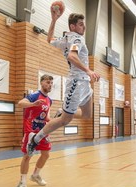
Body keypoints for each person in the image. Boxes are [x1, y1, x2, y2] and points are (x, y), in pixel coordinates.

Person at [26, 7, 100, 157]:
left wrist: (53, 21)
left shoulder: (65, 39)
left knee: (87, 115)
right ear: (72, 26)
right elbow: (72, 56)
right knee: (64, 121)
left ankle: (62, 111)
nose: (84, 27)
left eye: (83, 24)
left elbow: (50, 39)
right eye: (81, 24)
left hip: (84, 84)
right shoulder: (77, 38)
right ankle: (35, 138)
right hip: (77, 82)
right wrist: (88, 71)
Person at [14, 74, 53, 187]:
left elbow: (45, 118)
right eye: (47, 82)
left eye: (51, 83)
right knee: (27, 156)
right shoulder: (35, 95)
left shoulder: (49, 100)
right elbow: (20, 103)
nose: (50, 85)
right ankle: (22, 182)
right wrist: (32, 104)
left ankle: (35, 175)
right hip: (30, 130)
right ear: (41, 83)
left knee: (46, 155)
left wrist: (58, 121)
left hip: (42, 130)